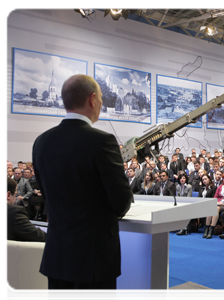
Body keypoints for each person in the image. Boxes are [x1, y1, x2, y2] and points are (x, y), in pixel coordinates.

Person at [32, 74, 133, 300]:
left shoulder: (41, 142)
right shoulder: (102, 141)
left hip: (57, 255)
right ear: (93, 99)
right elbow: (121, 202)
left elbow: (47, 193)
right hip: (93, 259)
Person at [5, 176, 46, 242]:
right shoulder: (14, 212)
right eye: (15, 195)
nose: (15, 199)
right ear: (8, 195)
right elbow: (39, 236)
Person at [204, 172, 224, 239]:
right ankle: (206, 229)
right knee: (211, 208)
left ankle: (211, 229)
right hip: (218, 203)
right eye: (223, 178)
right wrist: (217, 202)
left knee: (216, 208)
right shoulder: (219, 187)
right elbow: (215, 197)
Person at [199, 174, 218, 239]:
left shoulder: (213, 188)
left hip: (209, 205)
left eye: (205, 179)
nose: (204, 181)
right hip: (201, 205)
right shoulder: (202, 188)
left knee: (210, 209)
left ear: (209, 179)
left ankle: (208, 230)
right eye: (203, 179)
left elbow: (213, 198)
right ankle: (185, 228)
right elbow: (199, 197)